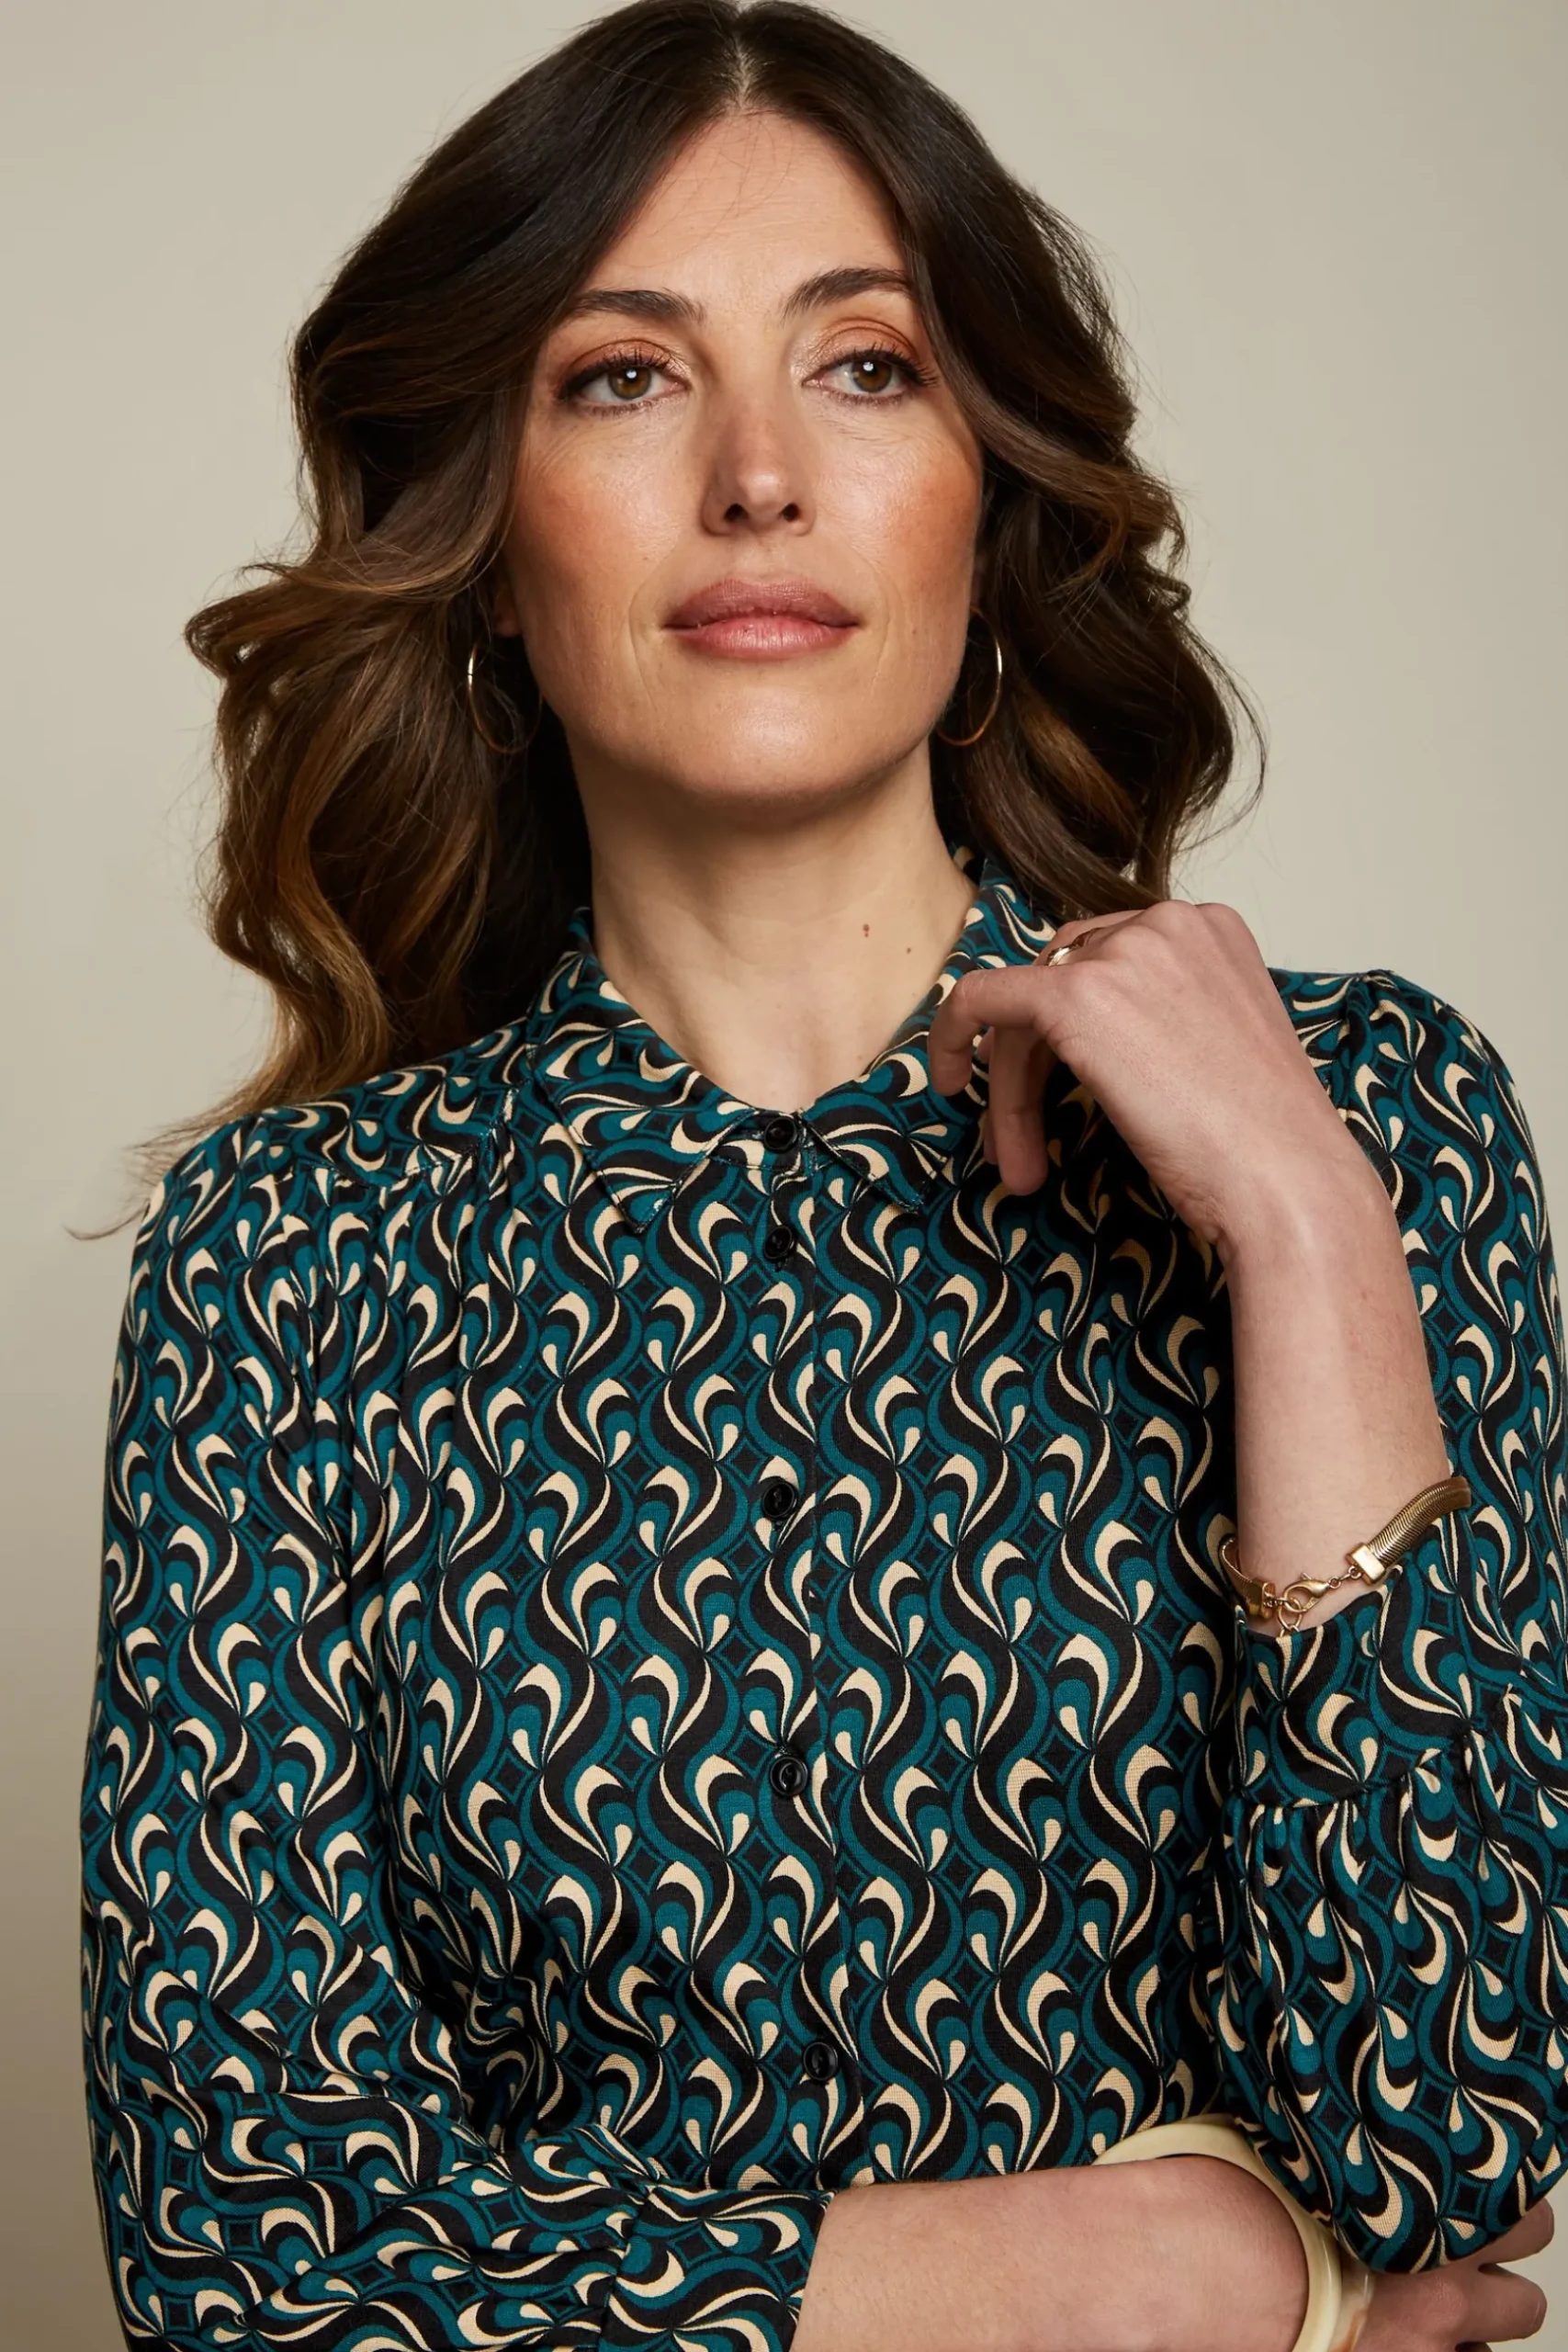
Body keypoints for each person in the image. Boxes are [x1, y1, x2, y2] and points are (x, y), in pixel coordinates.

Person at [80, 5, 1564, 2348]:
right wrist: (1138, 2272)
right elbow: (242, 2259)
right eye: (623, 377)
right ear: (489, 542)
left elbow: (1443, 2145)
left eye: (866, 368)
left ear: (989, 492)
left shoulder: (1359, 1111)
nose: (757, 474)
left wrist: (1297, 1225)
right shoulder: (288, 1258)